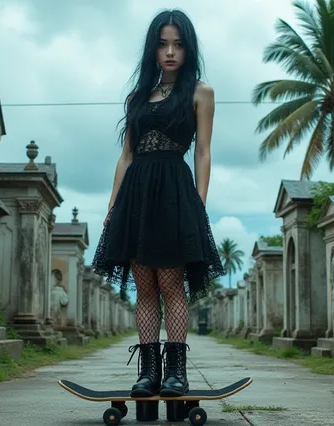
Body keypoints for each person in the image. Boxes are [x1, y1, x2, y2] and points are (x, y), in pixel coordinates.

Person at [92, 9, 225, 398]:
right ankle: (149, 373)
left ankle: (176, 374)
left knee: (171, 285)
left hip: (173, 194)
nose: (170, 52)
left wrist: (199, 205)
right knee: (144, 288)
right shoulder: (137, 97)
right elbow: (126, 156)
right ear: (153, 49)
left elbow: (203, 151)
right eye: (163, 44)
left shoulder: (201, 92)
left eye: (178, 45)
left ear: (188, 49)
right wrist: (112, 206)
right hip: (135, 196)